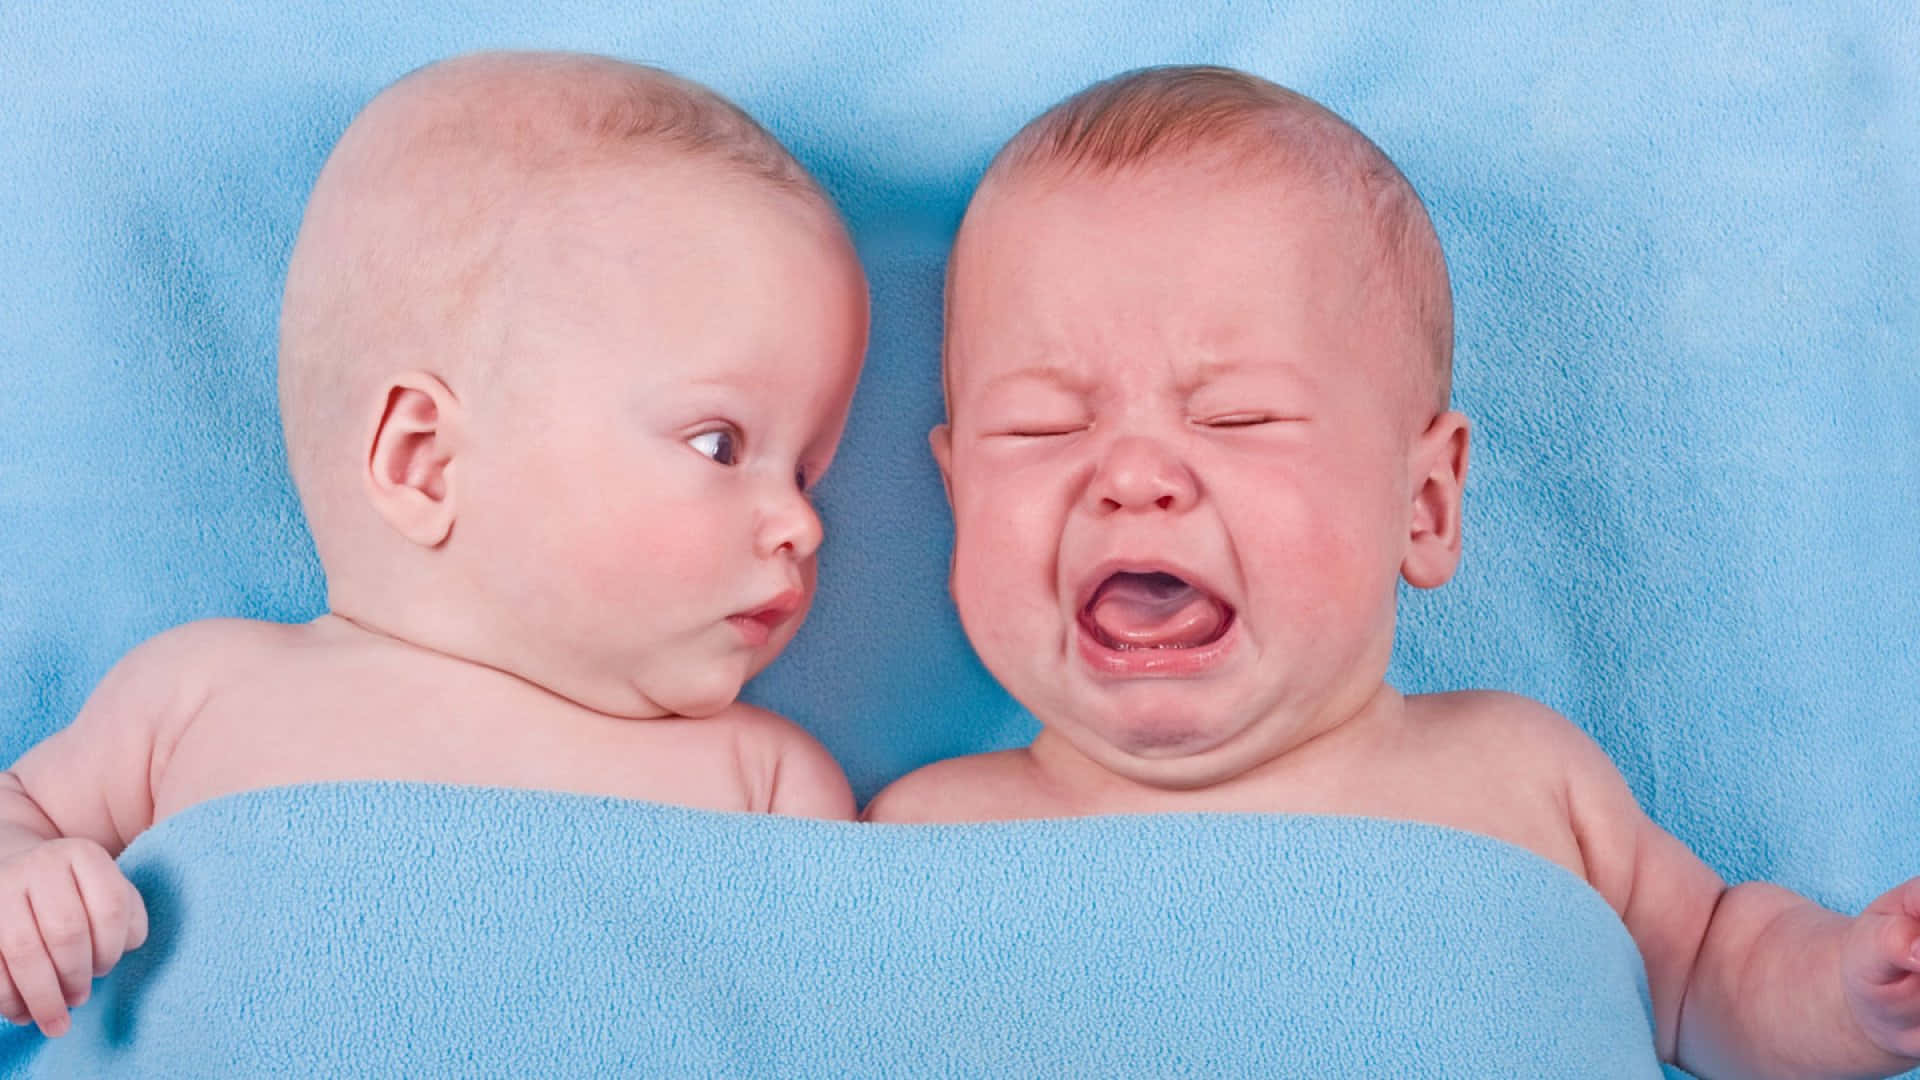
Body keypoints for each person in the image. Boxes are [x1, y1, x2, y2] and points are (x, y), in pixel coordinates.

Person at [864, 65, 1920, 1077]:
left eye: (1238, 416)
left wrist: (1849, 993)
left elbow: (1711, 970)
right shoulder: (921, 842)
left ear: (1424, 505)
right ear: (958, 501)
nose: (1133, 476)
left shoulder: (1518, 774)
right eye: (1042, 427)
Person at [0, 50, 868, 1038]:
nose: (803, 524)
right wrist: (22, 885)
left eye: (808, 472)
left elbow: (852, 1020)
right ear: (424, 461)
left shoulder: (769, 782)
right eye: (721, 446)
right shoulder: (201, 689)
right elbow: (21, 807)